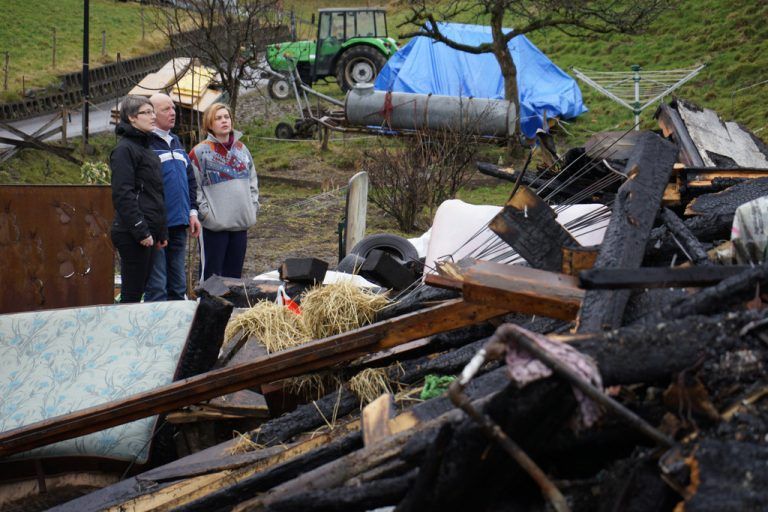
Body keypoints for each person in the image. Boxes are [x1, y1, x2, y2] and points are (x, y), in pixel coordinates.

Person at [189, 102, 259, 280]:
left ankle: (231, 308)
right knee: (212, 278)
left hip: (240, 222)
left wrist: (252, 207)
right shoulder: (199, 153)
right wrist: (206, 215)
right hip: (214, 226)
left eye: (226, 117)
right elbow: (194, 187)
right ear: (209, 124)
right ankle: (207, 308)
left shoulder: (242, 149)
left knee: (234, 277)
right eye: (218, 118)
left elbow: (252, 181)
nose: (224, 121)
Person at [144, 93, 202, 301]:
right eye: (166, 109)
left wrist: (193, 212)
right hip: (157, 226)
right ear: (152, 114)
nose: (173, 113)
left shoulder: (176, 141)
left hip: (179, 224)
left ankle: (179, 332)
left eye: (174, 108)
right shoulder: (146, 144)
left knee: (178, 287)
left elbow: (190, 181)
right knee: (158, 287)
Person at [110, 95, 168, 303]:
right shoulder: (124, 150)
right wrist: (140, 229)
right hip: (132, 232)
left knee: (141, 290)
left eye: (153, 112)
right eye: (147, 112)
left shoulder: (147, 149)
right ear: (132, 118)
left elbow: (154, 192)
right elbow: (123, 194)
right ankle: (123, 334)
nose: (153, 117)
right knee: (132, 294)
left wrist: (161, 230)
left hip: (151, 231)